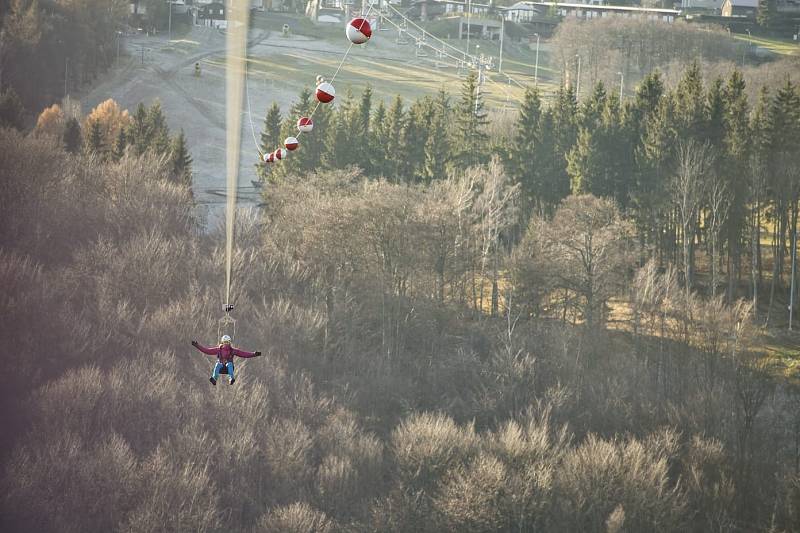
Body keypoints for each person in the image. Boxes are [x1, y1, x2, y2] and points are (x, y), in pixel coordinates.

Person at [191, 335, 261, 386]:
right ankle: (214, 379)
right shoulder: (218, 350)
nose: (226, 344)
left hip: (229, 368)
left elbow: (244, 354)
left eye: (228, 342)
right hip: (221, 367)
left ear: (230, 342)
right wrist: (197, 346)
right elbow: (207, 351)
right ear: (222, 342)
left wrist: (254, 354)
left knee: (229, 364)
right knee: (217, 364)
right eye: (225, 342)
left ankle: (231, 378)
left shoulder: (233, 351)